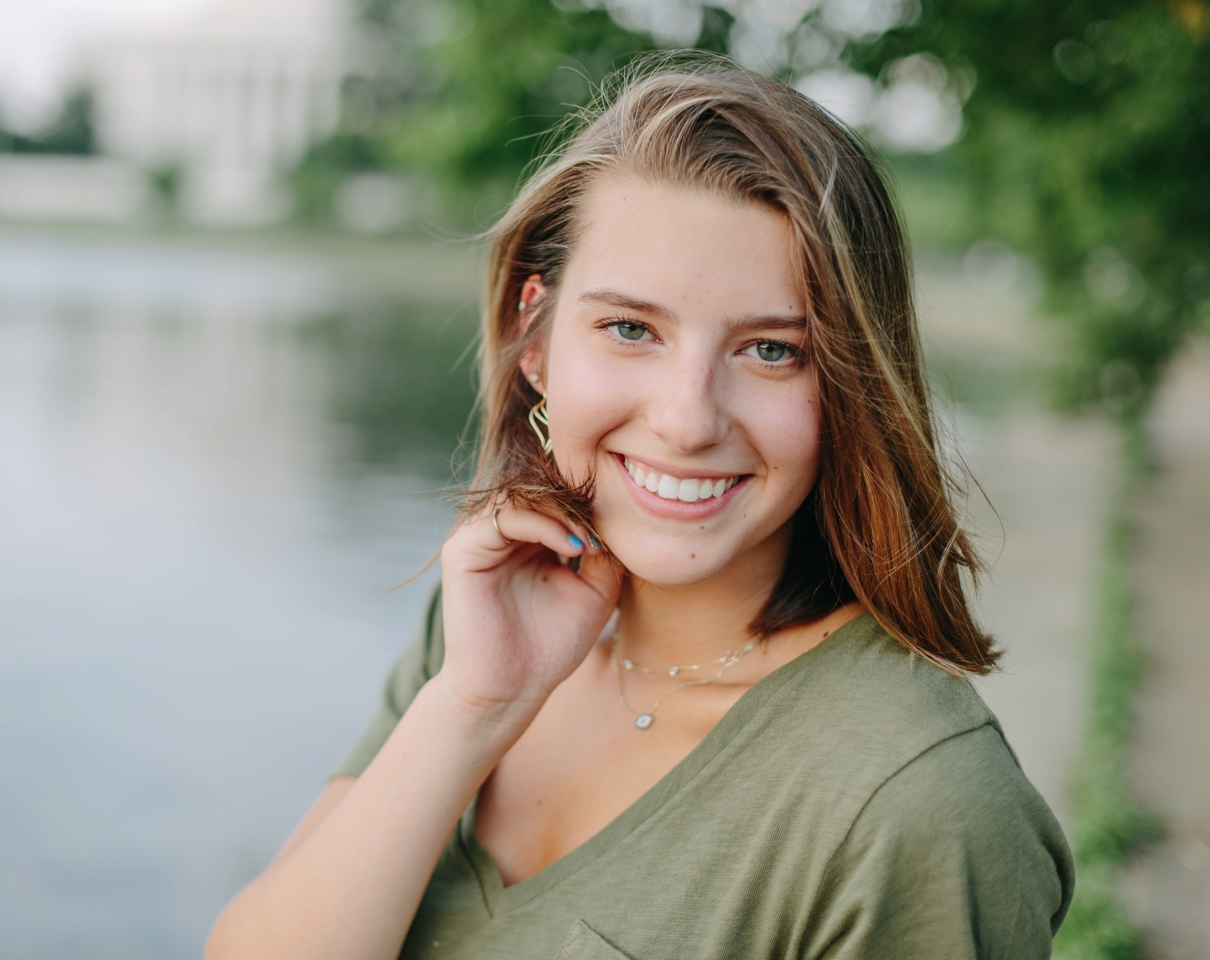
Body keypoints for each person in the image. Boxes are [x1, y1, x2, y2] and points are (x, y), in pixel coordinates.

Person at [206, 62, 1074, 960]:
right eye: (631, 330)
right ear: (533, 339)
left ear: (854, 384)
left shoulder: (916, 805)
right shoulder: (490, 624)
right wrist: (474, 705)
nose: (688, 418)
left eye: (773, 350)